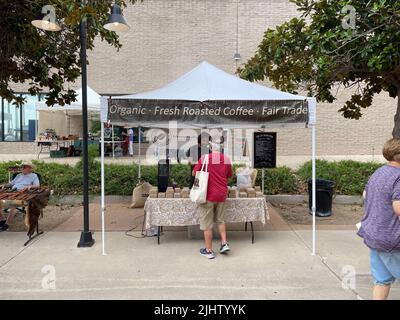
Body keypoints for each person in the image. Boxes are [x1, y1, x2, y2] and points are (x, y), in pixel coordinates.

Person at [358, 138, 400, 300]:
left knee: (381, 281)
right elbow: (398, 208)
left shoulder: (379, 172)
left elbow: (365, 195)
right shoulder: (399, 177)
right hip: (393, 239)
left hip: (374, 235)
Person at [192, 137, 232, 259]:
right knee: (220, 220)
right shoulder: (226, 159)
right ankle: (224, 243)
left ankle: (209, 251)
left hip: (207, 195)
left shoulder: (204, 158)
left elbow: (194, 173)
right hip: (221, 194)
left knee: (207, 224)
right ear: (221, 148)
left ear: (210, 147)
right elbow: (229, 175)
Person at [0, 163, 40, 232]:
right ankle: (3, 219)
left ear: (30, 168)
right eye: (22, 167)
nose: (22, 168)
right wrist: (4, 185)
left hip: (23, 193)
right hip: (12, 192)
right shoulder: (19, 175)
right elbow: (11, 183)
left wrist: (29, 186)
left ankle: (7, 224)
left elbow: (37, 185)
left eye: (24, 167)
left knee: (14, 204)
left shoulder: (34, 176)